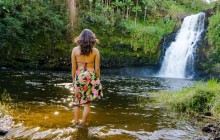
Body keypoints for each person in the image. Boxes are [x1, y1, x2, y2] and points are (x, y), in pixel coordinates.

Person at [71, 29, 103, 126]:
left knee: (77, 102)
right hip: (90, 75)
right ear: (92, 39)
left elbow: (73, 67)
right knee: (86, 104)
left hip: (79, 75)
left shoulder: (75, 50)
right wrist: (98, 80)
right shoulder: (95, 51)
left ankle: (76, 122)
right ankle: (83, 123)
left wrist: (73, 79)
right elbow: (97, 68)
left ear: (80, 38)